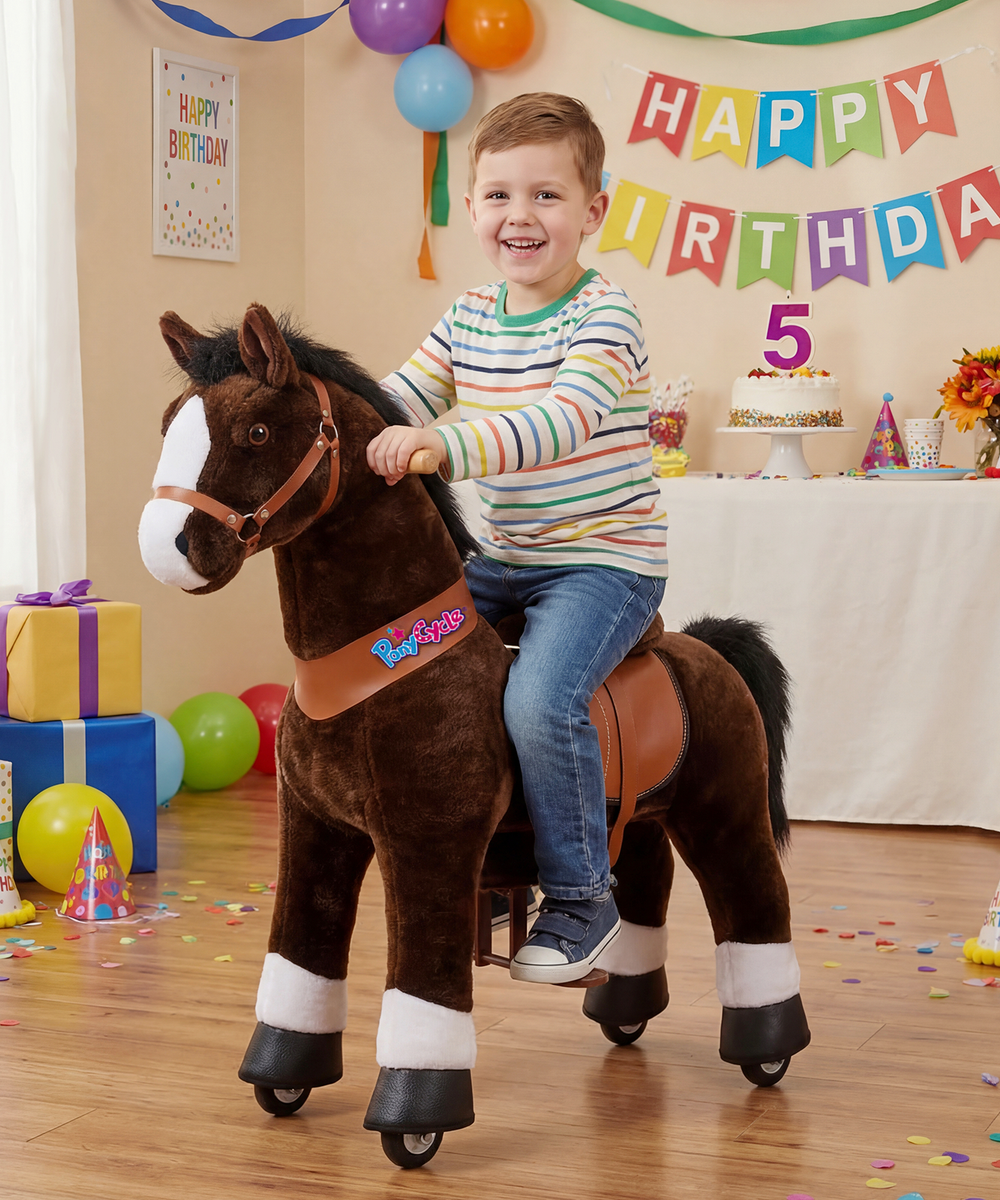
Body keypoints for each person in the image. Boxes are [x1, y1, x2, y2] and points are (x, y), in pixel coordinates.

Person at [367, 93, 667, 984]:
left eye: (546, 196)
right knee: (395, 655)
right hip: (503, 560)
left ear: (593, 211)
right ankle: (456, 851)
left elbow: (558, 422)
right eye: (498, 196)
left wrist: (441, 445)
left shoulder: (604, 318)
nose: (520, 217)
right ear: (471, 210)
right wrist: (330, 420)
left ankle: (583, 898)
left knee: (539, 700)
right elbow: (395, 399)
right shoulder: (467, 316)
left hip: (601, 564)